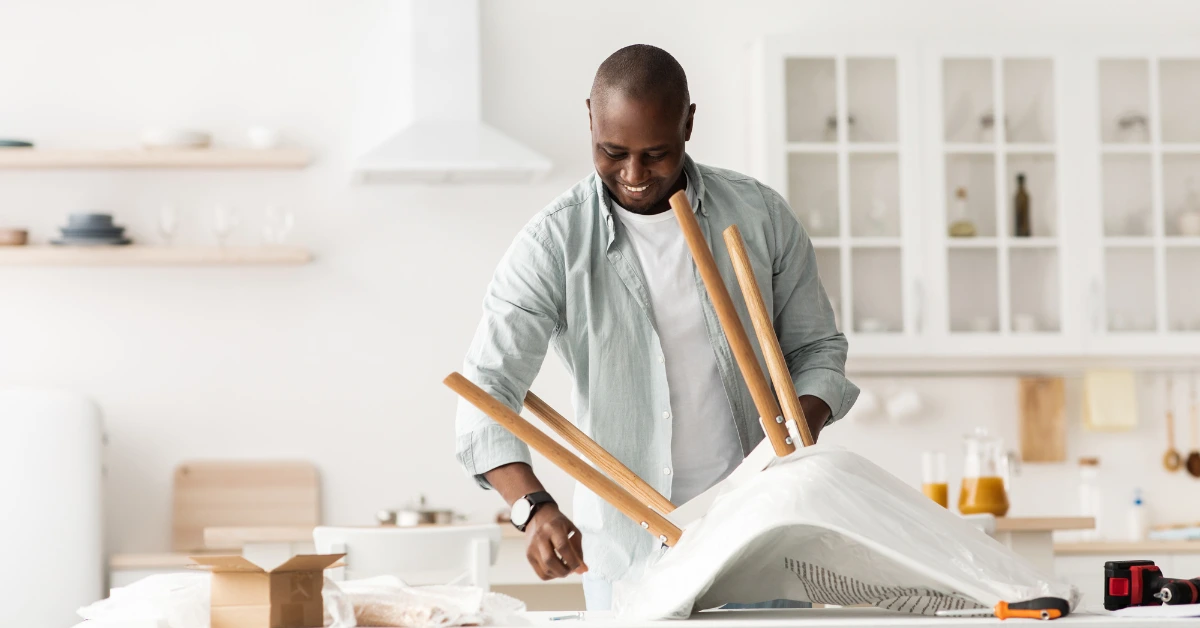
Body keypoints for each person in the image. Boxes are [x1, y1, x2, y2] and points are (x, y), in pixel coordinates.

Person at [454, 44, 858, 611]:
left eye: (657, 153)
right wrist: (534, 509)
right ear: (589, 118)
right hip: (626, 561)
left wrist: (788, 437)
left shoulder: (761, 215)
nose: (635, 175)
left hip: (760, 541)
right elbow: (485, 393)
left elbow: (818, 350)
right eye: (612, 151)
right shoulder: (553, 244)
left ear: (689, 122)